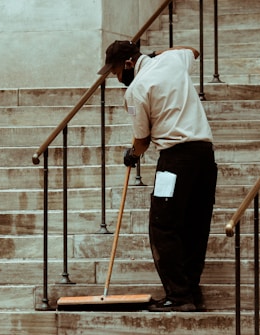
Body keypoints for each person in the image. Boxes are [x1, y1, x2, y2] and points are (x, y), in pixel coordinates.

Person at [99, 40, 218, 312]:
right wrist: (156, 55)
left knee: (163, 226)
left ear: (129, 63)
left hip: (174, 160)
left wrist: (132, 154)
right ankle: (190, 292)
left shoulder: (136, 90)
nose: (117, 78)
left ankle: (179, 296)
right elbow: (193, 50)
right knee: (195, 225)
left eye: (117, 71)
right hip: (204, 157)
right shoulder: (173, 61)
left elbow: (142, 138)